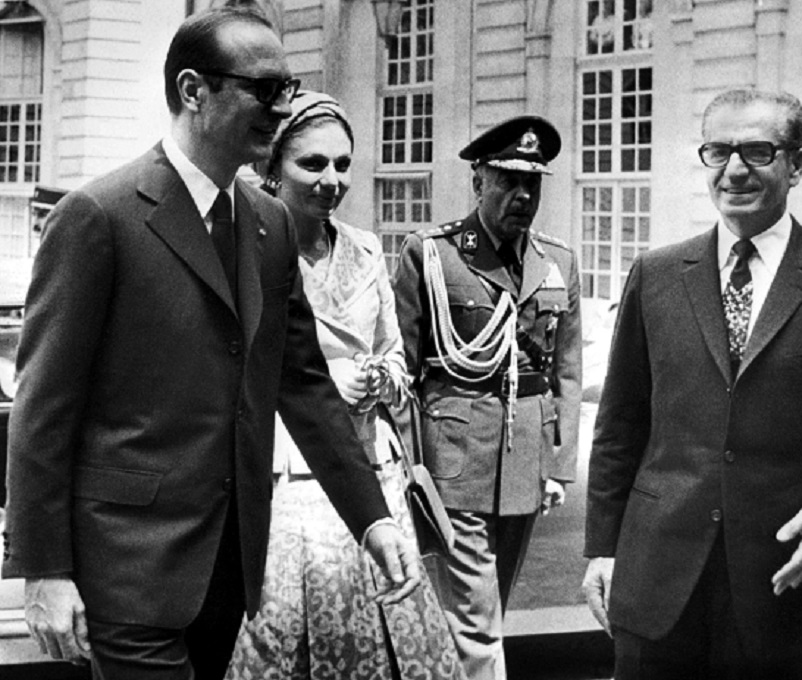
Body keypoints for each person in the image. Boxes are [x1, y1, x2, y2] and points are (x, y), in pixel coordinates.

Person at [2, 8, 420, 679]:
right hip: (126, 571)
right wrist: (43, 571)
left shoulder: (270, 224)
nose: (281, 109)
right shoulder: (99, 217)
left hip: (228, 570)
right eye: (263, 89)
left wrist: (372, 519)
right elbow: (43, 407)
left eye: (288, 88)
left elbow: (302, 381)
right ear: (194, 91)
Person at [581, 88, 802, 680]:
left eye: (757, 151)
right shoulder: (658, 274)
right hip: (653, 582)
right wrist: (602, 547)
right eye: (718, 152)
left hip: (777, 581)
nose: (735, 170)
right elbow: (620, 424)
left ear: (795, 164)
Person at [224, 91, 463, 680]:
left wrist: (381, 378)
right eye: (312, 164)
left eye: (343, 164)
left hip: (370, 464)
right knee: (282, 634)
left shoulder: (364, 248)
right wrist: (327, 383)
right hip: (287, 471)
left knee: (395, 641)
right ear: (272, 169)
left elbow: (396, 357)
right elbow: (234, 374)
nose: (331, 180)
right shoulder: (241, 250)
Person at [393, 115, 582, 680]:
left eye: (533, 184)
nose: (522, 195)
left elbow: (568, 372)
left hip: (525, 457)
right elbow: (404, 369)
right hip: (454, 455)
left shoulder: (558, 262)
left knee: (488, 607)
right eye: (507, 181)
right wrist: (410, 467)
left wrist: (558, 463)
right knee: (476, 618)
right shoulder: (433, 254)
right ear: (478, 182)